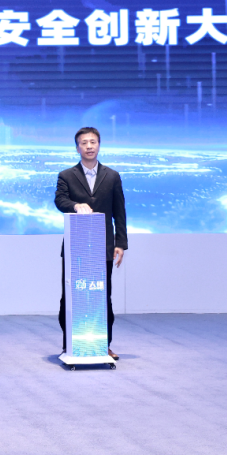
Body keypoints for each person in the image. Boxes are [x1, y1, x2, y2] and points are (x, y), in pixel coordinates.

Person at [54, 126, 127, 360]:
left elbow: (119, 212)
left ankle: (104, 344)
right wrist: (75, 205)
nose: (89, 146)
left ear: (99, 145)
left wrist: (120, 243)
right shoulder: (66, 175)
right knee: (71, 297)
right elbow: (60, 200)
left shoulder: (112, 176)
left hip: (103, 246)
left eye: (93, 142)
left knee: (102, 297)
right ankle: (69, 344)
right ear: (77, 148)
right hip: (75, 246)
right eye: (84, 143)